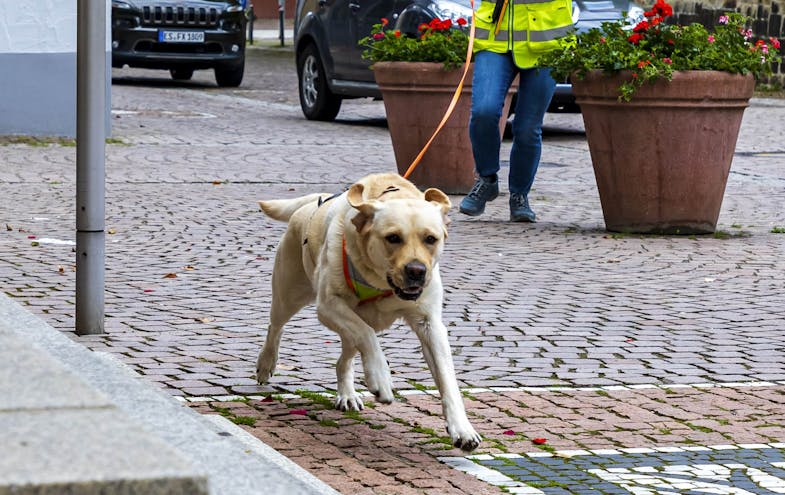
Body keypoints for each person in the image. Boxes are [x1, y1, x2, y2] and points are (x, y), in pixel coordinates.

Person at [459, 0, 574, 222]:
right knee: (484, 111)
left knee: (527, 128)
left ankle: (519, 195)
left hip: (545, 39)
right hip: (495, 36)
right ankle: (487, 179)